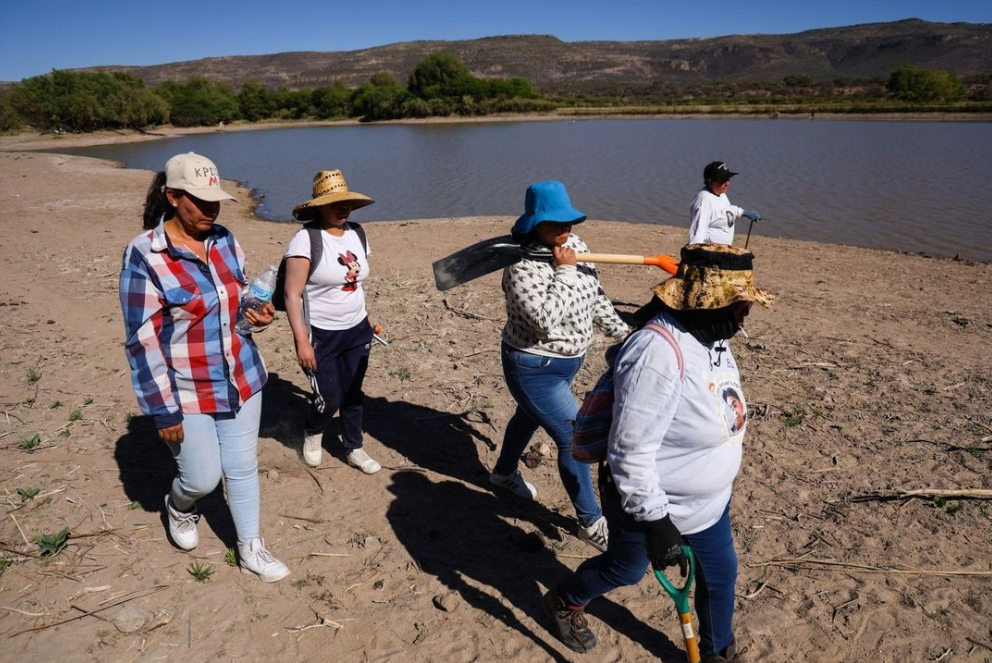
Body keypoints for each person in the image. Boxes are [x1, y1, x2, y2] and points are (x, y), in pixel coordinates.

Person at [542, 243, 774, 662]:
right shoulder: (657, 354)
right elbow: (630, 452)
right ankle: (566, 599)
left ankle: (718, 652)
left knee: (720, 576)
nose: (746, 313)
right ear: (707, 303)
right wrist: (658, 522)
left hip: (708, 504)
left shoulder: (714, 336)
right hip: (651, 506)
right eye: (738, 304)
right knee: (624, 570)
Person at [119, 152, 289, 583]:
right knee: (201, 477)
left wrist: (256, 312)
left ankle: (252, 546)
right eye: (200, 201)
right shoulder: (144, 255)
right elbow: (143, 340)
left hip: (241, 375)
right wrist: (162, 409)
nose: (212, 211)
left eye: (216, 201)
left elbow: (239, 298)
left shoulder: (226, 240)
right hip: (185, 388)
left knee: (242, 466)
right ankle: (180, 506)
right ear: (173, 196)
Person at [491, 180, 630, 551]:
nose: (565, 231)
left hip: (568, 363)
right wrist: (565, 271)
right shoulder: (519, 267)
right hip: (532, 366)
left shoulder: (576, 246)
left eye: (568, 222)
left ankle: (503, 473)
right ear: (533, 225)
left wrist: (622, 334)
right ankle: (590, 521)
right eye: (555, 224)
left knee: (529, 416)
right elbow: (543, 320)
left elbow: (594, 296)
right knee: (573, 440)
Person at [284, 169, 381, 474]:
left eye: (346, 202)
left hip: (356, 330)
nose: (343, 208)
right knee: (329, 397)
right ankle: (313, 432)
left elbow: (353, 283)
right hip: (320, 334)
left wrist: (366, 318)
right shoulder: (305, 240)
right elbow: (292, 294)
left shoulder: (357, 233)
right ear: (318, 207)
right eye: (335, 203)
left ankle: (354, 446)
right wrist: (302, 342)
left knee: (353, 393)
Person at [688, 161, 761, 246]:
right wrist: (695, 251)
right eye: (722, 180)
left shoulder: (720, 193)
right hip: (709, 253)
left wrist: (743, 212)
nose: (727, 183)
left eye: (728, 179)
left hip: (722, 251)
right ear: (711, 182)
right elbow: (698, 230)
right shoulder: (704, 201)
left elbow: (725, 210)